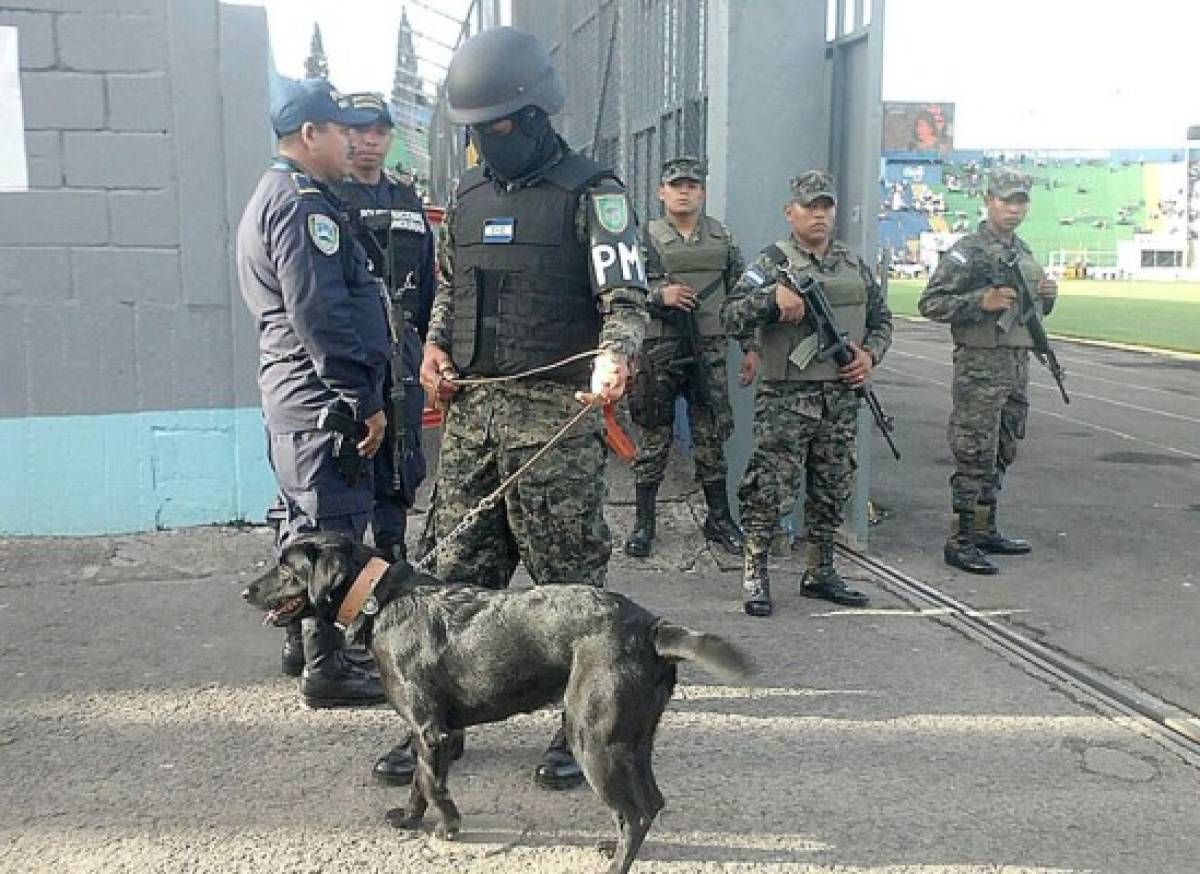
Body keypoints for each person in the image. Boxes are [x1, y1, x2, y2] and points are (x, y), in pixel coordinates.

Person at [417, 26, 648, 790]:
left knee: (571, 589)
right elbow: (449, 293)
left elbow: (626, 299)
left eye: (494, 128)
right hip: (474, 424)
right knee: (452, 584)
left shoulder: (594, 193)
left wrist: (617, 354)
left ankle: (580, 725)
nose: (483, 144)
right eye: (474, 132)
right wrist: (434, 350)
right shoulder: (469, 196)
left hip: (555, 424)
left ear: (535, 116)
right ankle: (437, 728)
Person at [235, 77, 387, 707]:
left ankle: (303, 647)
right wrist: (360, 397)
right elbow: (319, 312)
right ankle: (327, 669)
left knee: (301, 525)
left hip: (296, 400)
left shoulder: (273, 194)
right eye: (341, 132)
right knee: (332, 535)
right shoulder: (301, 203)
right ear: (310, 135)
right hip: (323, 404)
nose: (352, 144)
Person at [722, 171, 892, 617]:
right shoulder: (770, 263)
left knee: (832, 485)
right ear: (789, 211)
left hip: (839, 396)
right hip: (785, 397)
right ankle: (755, 572)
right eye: (809, 207)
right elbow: (730, 315)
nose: (818, 215)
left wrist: (869, 356)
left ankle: (821, 570)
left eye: (825, 207)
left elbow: (882, 320)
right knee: (770, 486)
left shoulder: (854, 266)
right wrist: (770, 299)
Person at [918, 169, 1058, 575]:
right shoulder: (969, 251)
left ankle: (984, 528)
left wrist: (1047, 298)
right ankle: (959, 540)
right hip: (980, 367)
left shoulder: (1024, 250)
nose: (1014, 209)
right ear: (988, 200)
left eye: (1020, 201)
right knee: (974, 452)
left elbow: (1029, 313)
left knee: (1003, 447)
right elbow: (931, 303)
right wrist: (983, 299)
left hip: (1015, 364)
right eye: (1005, 200)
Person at [623, 155, 745, 558]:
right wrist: (661, 295)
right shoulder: (643, 238)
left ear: (702, 192)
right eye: (676, 185)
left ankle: (719, 518)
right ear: (662, 192)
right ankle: (644, 523)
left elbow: (742, 292)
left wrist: (752, 347)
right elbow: (624, 291)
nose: (684, 191)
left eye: (691, 185)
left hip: (708, 347)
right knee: (654, 436)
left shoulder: (721, 238)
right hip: (659, 349)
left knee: (710, 434)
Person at [334, 92, 434, 562]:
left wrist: (431, 341)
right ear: (343, 134)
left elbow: (431, 276)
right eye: (358, 131)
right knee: (353, 451)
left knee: (402, 450)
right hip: (355, 346)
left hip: (405, 345)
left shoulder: (405, 196)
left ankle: (393, 550)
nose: (369, 142)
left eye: (378, 133)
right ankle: (348, 561)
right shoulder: (330, 198)